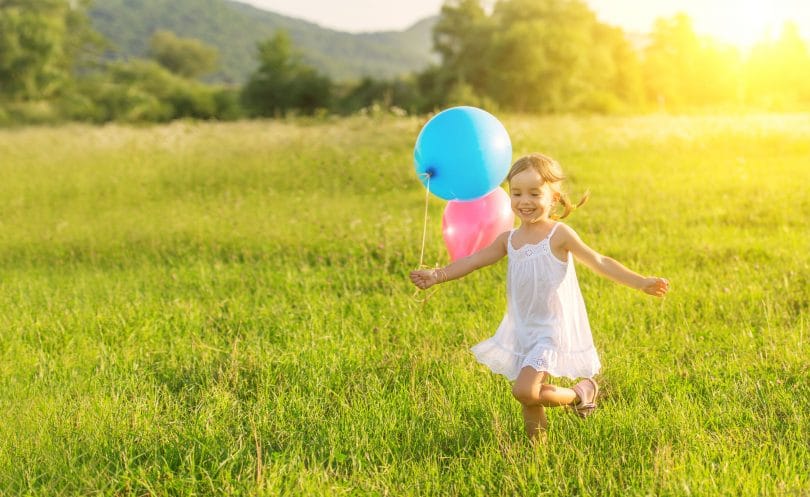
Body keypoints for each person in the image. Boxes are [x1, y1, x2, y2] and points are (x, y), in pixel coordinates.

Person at [410, 153, 669, 441]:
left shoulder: (559, 234)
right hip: (523, 328)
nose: (525, 201)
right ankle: (537, 453)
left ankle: (579, 393)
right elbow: (474, 260)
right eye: (517, 193)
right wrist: (438, 275)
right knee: (528, 401)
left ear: (554, 197)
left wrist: (641, 282)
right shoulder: (509, 240)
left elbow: (599, 261)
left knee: (525, 390)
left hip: (552, 329)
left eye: (535, 193)